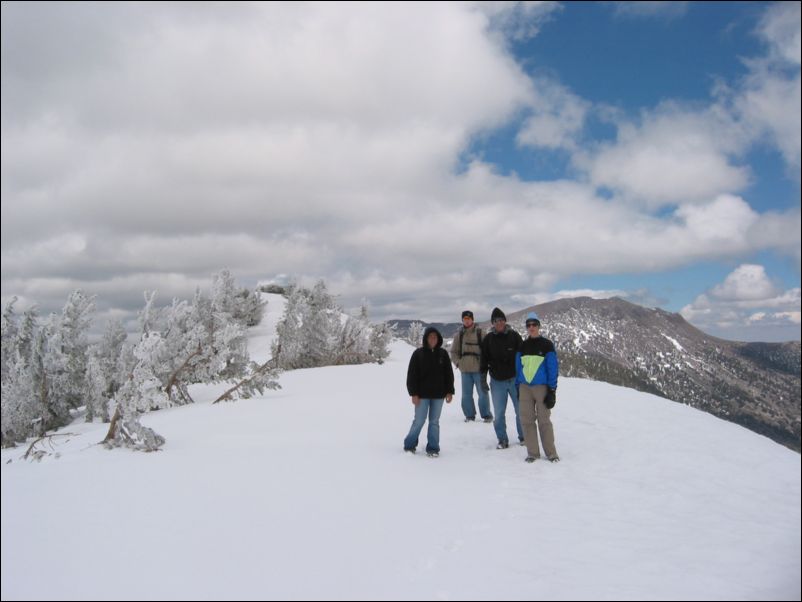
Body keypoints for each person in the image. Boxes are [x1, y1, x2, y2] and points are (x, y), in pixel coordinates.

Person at [515, 312, 560, 463]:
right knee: (527, 420)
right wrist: (517, 387)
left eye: (534, 324)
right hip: (524, 388)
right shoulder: (522, 346)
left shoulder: (547, 345)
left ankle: (551, 453)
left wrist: (552, 390)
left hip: (541, 387)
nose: (531, 327)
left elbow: (552, 368)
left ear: (539, 326)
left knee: (544, 420)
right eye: (529, 325)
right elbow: (518, 368)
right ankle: (533, 453)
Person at [404, 326, 455, 457]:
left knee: (434, 422)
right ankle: (409, 445)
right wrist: (413, 393)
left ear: (438, 339)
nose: (433, 339)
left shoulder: (443, 354)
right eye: (430, 336)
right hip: (421, 396)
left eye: (435, 337)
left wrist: (450, 391)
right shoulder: (418, 354)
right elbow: (412, 375)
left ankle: (433, 448)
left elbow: (449, 374)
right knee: (419, 421)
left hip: (439, 396)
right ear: (426, 338)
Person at [480, 307, 523, 449]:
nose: (499, 323)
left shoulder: (514, 336)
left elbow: (523, 357)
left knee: (521, 411)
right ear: (493, 323)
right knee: (498, 414)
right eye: (496, 321)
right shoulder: (488, 340)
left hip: (515, 380)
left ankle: (524, 437)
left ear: (505, 321)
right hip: (497, 381)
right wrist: (482, 379)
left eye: (501, 320)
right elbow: (483, 360)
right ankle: (502, 439)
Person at [450, 310, 493, 423]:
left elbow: (488, 349)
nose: (467, 321)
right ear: (462, 320)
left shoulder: (480, 333)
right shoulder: (459, 335)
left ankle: (486, 415)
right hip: (465, 370)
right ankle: (469, 416)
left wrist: (485, 364)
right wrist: (458, 363)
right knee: (466, 396)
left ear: (472, 319)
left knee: (483, 394)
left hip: (479, 369)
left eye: (469, 318)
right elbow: (453, 352)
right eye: (465, 319)